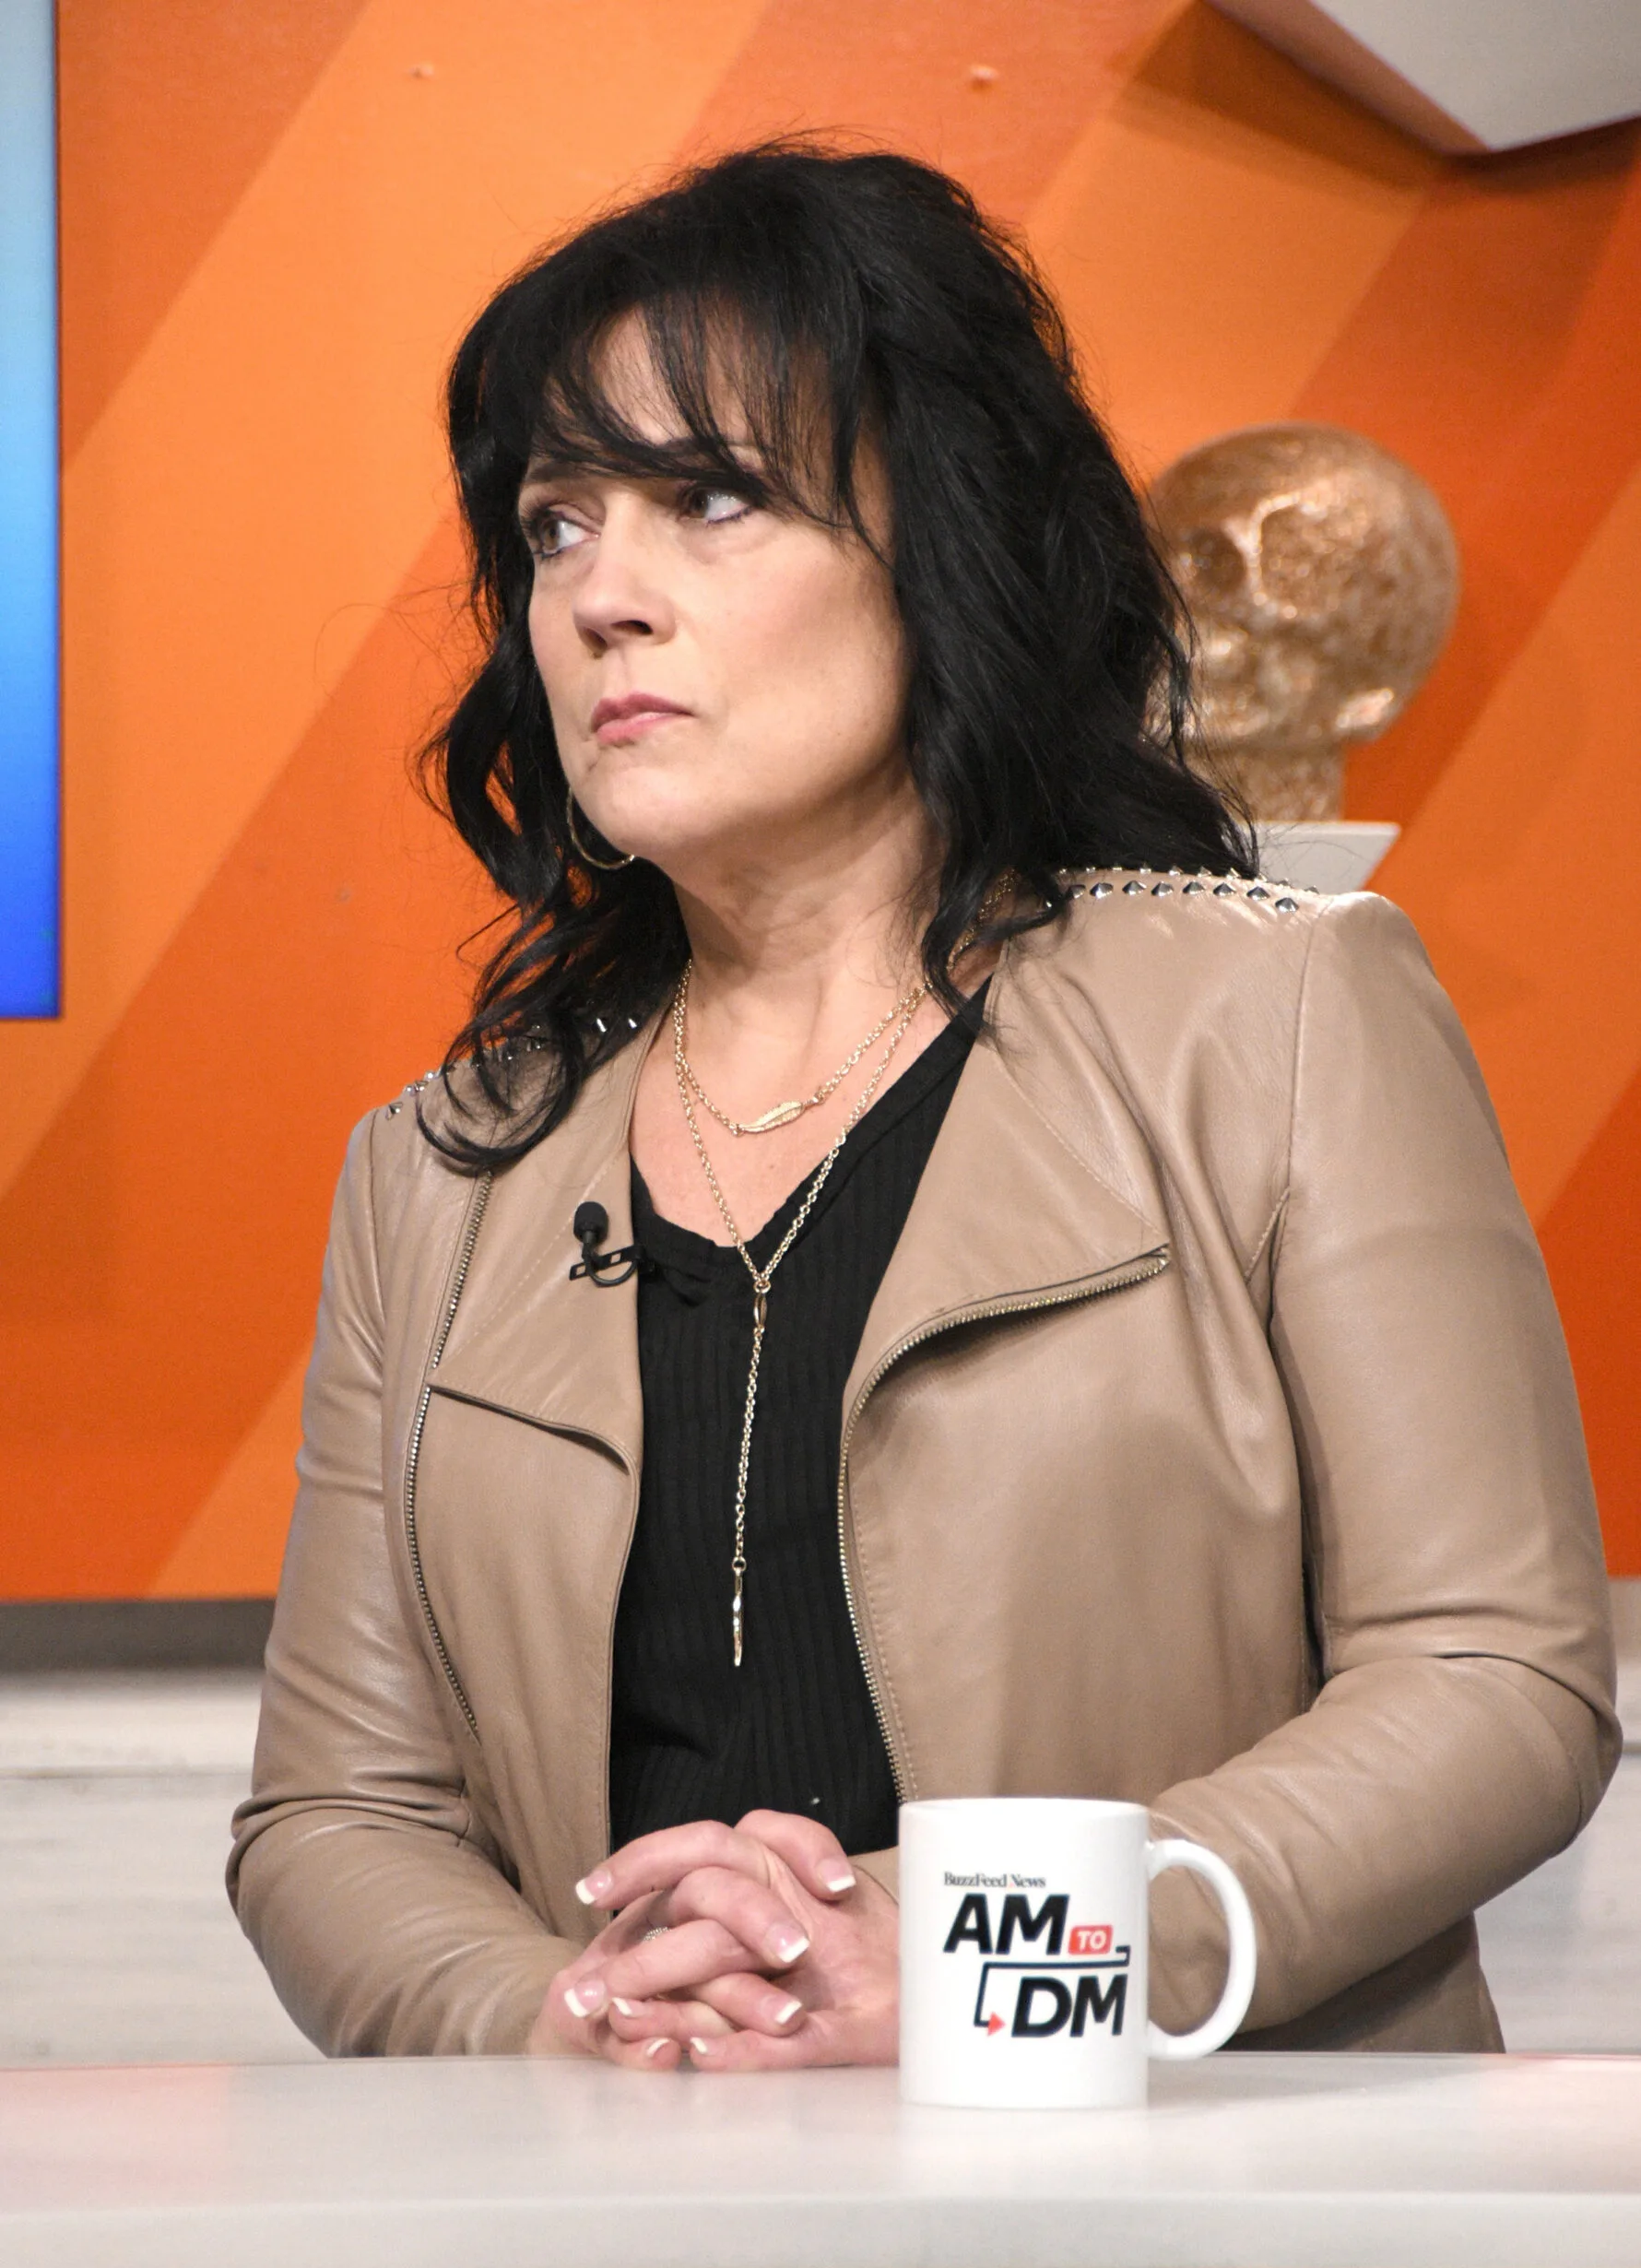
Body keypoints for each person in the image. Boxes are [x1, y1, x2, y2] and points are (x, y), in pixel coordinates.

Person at [230, 144, 1615, 2068]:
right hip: (630, 2229)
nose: (601, 598)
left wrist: (989, 1962)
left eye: (708, 498)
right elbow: (340, 1811)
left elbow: (1494, 1677)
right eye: (554, 526)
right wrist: (565, 2014)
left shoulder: (1277, 1010)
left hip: (1201, 2246)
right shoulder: (440, 1163)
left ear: (939, 538)